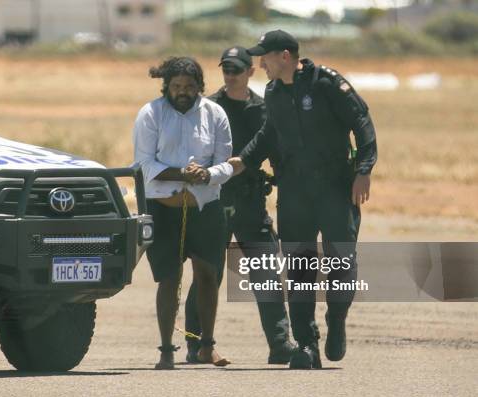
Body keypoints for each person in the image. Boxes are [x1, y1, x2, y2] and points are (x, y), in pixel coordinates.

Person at [229, 30, 377, 369]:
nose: (259, 62)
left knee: (341, 263)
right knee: (299, 269)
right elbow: (269, 134)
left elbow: (362, 124)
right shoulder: (273, 91)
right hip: (294, 191)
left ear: (284, 56)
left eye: (264, 56)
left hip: (335, 189)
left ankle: (336, 319)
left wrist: (364, 170)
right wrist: (244, 161)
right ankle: (307, 346)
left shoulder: (326, 83)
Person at [184, 46, 295, 365]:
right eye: (226, 69)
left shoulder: (264, 108)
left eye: (236, 69)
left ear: (250, 72)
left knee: (265, 272)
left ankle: (279, 344)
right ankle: (196, 344)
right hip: (214, 201)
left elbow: (276, 147)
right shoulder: (207, 109)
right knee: (209, 275)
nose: (230, 75)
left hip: (250, 201)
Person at [133, 56, 233, 370]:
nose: (182, 92)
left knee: (207, 276)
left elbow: (226, 163)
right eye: (176, 86)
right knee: (169, 279)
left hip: (205, 210)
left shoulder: (215, 114)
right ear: (166, 86)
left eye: (189, 86)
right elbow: (144, 165)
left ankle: (207, 346)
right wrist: (181, 174)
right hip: (163, 211)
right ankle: (166, 350)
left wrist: (206, 174)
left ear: (199, 87)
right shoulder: (151, 113)